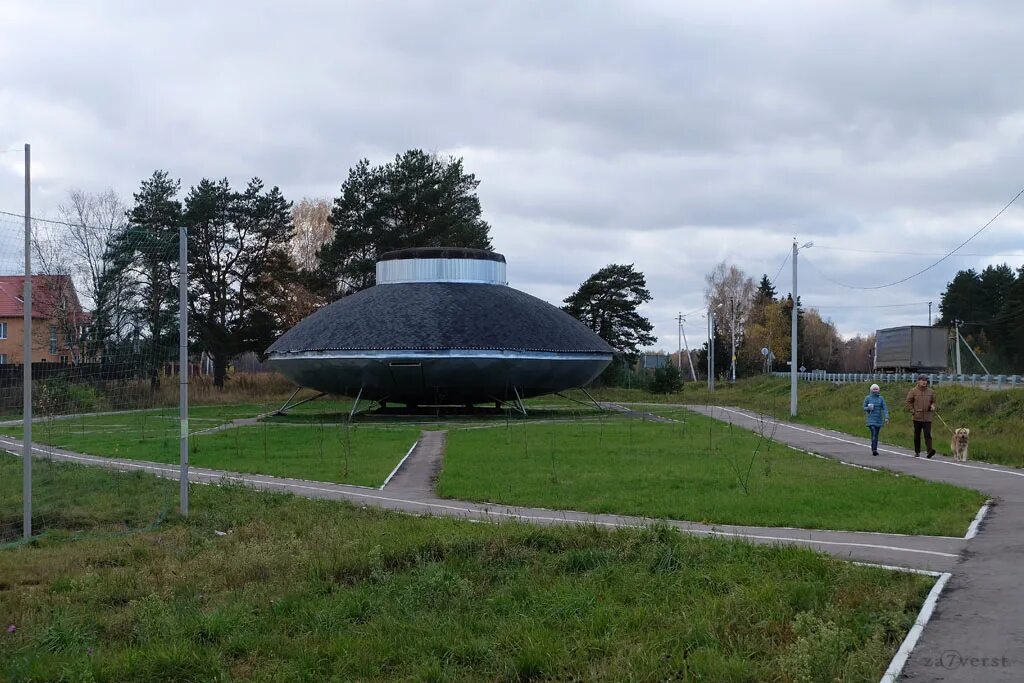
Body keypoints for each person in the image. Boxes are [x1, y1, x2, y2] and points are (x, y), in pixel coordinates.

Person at [906, 374, 937, 458]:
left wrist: (933, 406)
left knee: (927, 434)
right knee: (917, 435)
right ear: (918, 381)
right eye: (922, 380)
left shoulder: (931, 391)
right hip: (917, 417)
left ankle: (929, 451)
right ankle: (917, 451)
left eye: (925, 380)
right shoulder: (913, 391)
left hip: (927, 417)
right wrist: (912, 411)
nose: (924, 382)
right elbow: (908, 401)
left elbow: (934, 401)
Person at [862, 383, 889, 456]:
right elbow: (863, 408)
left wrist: (886, 417)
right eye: (874, 389)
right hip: (871, 419)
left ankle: (875, 448)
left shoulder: (881, 398)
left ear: (878, 390)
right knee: (873, 432)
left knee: (876, 434)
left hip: (878, 419)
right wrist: (868, 408)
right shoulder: (868, 398)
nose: (875, 390)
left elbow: (885, 408)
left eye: (876, 389)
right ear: (871, 390)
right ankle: (874, 449)